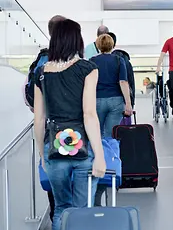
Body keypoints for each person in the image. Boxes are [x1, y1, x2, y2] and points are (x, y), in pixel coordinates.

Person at [33, 19, 106, 230]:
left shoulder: (41, 73)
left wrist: (42, 154)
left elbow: (39, 119)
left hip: (54, 147)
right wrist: (100, 156)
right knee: (82, 210)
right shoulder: (88, 69)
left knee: (61, 209)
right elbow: (89, 114)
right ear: (77, 39)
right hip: (83, 146)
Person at [22, 14, 66, 222]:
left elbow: (31, 96)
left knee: (54, 183)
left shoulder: (41, 58)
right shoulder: (72, 59)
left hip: (49, 127)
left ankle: (57, 216)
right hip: (70, 127)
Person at [89, 33, 133, 206]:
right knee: (110, 138)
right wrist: (128, 104)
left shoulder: (92, 61)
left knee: (96, 138)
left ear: (98, 45)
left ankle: (96, 172)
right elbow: (124, 82)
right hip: (115, 101)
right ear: (112, 45)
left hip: (97, 101)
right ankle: (111, 172)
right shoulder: (118, 60)